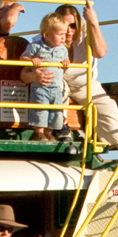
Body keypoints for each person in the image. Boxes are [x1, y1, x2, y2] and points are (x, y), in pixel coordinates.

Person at [53, 2, 118, 158]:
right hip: (60, 81)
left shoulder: (85, 34)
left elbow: (100, 52)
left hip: (84, 84)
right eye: (65, 25)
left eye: (73, 25)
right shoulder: (50, 36)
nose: (69, 31)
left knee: (108, 105)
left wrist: (93, 22)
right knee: (57, 87)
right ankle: (61, 129)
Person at [21, 14, 71, 142]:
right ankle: (39, 133)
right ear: (46, 35)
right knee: (40, 109)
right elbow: (23, 58)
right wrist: (32, 60)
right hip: (40, 87)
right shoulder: (36, 46)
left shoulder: (63, 49)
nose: (63, 37)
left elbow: (65, 62)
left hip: (56, 87)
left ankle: (49, 133)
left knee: (56, 112)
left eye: (64, 34)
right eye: (60, 34)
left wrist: (66, 62)